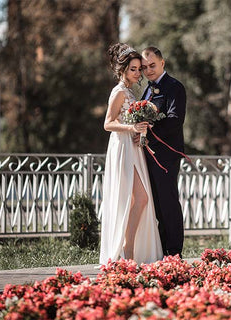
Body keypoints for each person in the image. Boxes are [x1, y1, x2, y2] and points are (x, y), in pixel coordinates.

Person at [99, 43, 163, 265]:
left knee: (140, 199)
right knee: (136, 198)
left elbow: (131, 120)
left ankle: (130, 250)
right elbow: (108, 123)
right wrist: (131, 129)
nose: (138, 73)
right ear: (123, 70)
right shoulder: (118, 92)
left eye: (139, 69)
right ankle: (127, 249)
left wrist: (142, 131)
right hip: (122, 148)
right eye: (133, 69)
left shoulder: (130, 92)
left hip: (133, 147)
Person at [138, 46, 186, 257]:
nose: (148, 70)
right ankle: (162, 250)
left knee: (168, 202)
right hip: (148, 154)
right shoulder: (147, 90)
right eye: (145, 67)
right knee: (156, 204)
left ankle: (174, 252)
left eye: (152, 65)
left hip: (166, 155)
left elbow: (175, 120)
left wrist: (150, 131)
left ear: (162, 63)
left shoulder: (175, 86)